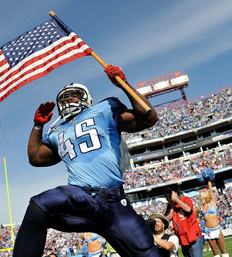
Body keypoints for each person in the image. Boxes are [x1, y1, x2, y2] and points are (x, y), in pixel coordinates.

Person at [12, 64, 160, 257]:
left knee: (147, 254)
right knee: (40, 205)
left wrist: (123, 84)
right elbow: (35, 157)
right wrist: (38, 126)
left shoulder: (104, 109)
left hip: (115, 203)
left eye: (73, 95)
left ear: (86, 97)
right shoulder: (57, 131)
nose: (67, 100)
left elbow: (148, 116)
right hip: (82, 198)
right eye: (64, 98)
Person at [164, 188, 203, 257]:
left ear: (176, 193)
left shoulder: (185, 199)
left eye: (171, 194)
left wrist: (176, 199)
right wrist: (172, 205)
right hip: (183, 239)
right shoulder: (170, 207)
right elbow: (166, 219)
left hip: (193, 235)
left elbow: (188, 209)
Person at [195, 180, 229, 257]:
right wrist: (198, 220)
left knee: (224, 251)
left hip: (217, 229)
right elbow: (193, 217)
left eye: (200, 196)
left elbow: (210, 190)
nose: (199, 197)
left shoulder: (212, 202)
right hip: (208, 231)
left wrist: (209, 180)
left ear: (204, 196)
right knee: (215, 253)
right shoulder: (199, 208)